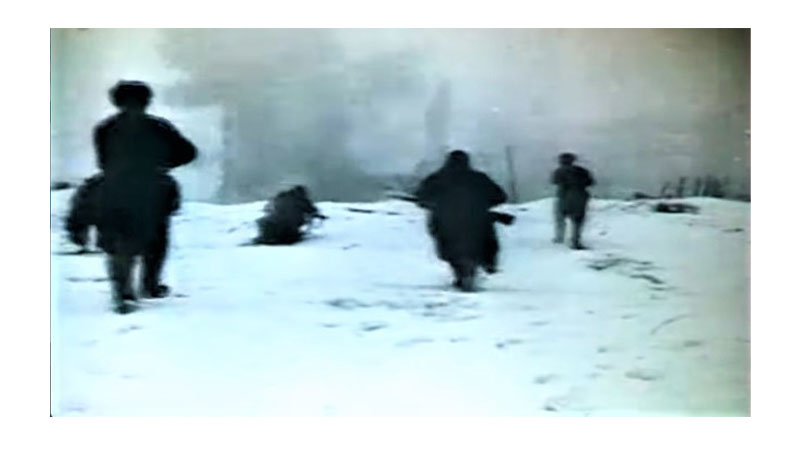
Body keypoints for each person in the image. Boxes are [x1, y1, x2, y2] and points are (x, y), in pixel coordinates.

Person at [93, 80, 197, 313]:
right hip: (153, 188)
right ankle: (150, 285)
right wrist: (163, 163)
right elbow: (188, 153)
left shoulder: (104, 129)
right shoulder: (159, 127)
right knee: (156, 239)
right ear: (147, 101)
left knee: (119, 241)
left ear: (116, 101)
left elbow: (102, 161)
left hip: (115, 189)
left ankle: (123, 292)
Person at [414, 150, 507, 291]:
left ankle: (465, 272)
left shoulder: (436, 178)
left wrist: (435, 205)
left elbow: (421, 198)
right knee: (485, 243)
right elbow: (500, 196)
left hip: (444, 220)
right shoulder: (479, 178)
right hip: (476, 220)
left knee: (447, 246)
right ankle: (485, 265)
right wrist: (483, 204)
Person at [254, 185, 325, 245]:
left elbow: (268, 207)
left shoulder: (280, 196)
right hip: (289, 228)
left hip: (269, 224)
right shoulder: (302, 200)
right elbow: (313, 211)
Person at [551, 152, 594, 250]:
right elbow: (590, 182)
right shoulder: (582, 171)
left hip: (564, 197)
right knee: (577, 221)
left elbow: (554, 181)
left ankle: (559, 237)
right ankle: (575, 241)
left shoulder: (558, 171)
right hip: (579, 197)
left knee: (560, 218)